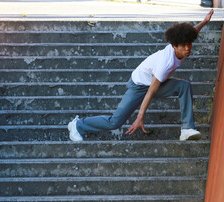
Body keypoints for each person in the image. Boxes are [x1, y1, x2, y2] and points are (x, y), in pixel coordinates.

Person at [68, 9, 214, 142]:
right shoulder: (166, 62)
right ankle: (78, 125)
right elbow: (151, 91)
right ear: (174, 46)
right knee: (115, 122)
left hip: (153, 81)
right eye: (184, 46)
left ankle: (187, 129)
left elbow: (191, 32)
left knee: (184, 86)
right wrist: (139, 117)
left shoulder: (181, 44)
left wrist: (204, 21)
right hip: (139, 85)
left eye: (190, 44)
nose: (188, 48)